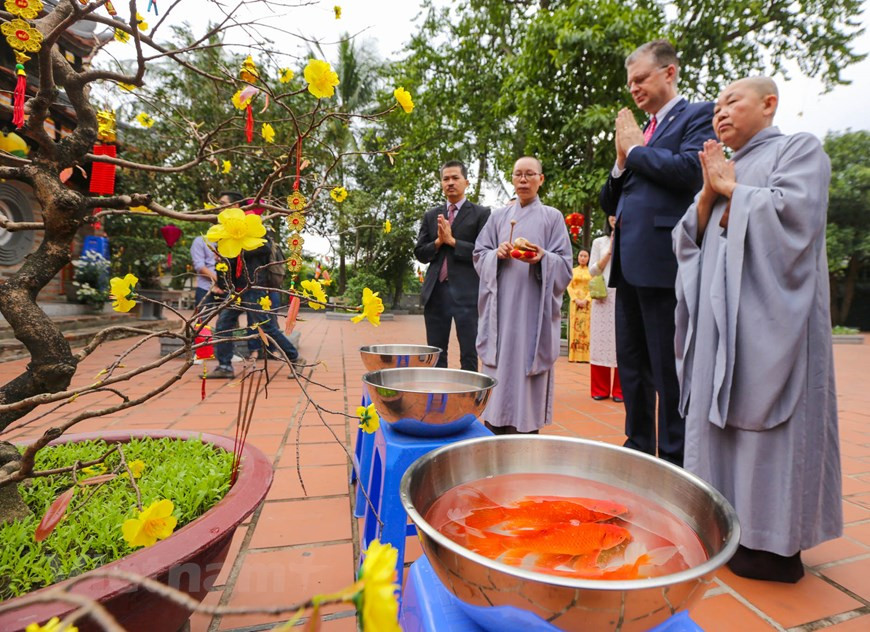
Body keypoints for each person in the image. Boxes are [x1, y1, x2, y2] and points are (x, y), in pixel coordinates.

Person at [673, 77, 842, 582]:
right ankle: (723, 528)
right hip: (719, 322)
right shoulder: (724, 169)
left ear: (769, 104)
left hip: (771, 321)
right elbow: (688, 241)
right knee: (716, 422)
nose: (720, 112)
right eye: (717, 105)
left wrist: (733, 192)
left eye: (732, 101)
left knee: (773, 428)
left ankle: (772, 545)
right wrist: (708, 195)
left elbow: (797, 216)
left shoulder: (799, 150)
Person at [598, 39, 713, 466]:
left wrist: (638, 151)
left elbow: (689, 172)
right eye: (630, 82)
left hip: (666, 262)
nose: (634, 88)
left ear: (670, 73)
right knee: (632, 365)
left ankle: (677, 458)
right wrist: (619, 160)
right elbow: (611, 201)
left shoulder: (697, 115)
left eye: (641, 78)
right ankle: (639, 446)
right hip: (627, 265)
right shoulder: (638, 134)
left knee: (668, 367)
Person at [474, 156, 573, 434]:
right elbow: (479, 255)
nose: (523, 179)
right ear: (512, 179)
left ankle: (526, 432)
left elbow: (565, 266)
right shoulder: (498, 217)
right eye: (518, 174)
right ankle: (494, 425)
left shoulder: (552, 218)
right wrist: (497, 255)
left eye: (530, 174)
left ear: (541, 179)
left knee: (525, 372)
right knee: (498, 369)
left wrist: (543, 258)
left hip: (533, 312)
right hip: (501, 314)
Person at [208, 211, 304, 379]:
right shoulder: (227, 234)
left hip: (253, 287)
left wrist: (238, 248)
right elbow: (228, 262)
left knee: (265, 327)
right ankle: (225, 365)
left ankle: (295, 358)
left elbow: (264, 247)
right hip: (237, 290)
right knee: (223, 324)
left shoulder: (255, 232)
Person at [415, 160, 491, 370]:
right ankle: (439, 399)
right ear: (441, 184)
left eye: (455, 178)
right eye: (446, 179)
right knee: (436, 353)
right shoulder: (432, 215)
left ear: (466, 182)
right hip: (436, 293)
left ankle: (468, 399)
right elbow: (420, 253)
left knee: (469, 352)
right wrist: (439, 242)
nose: (450, 182)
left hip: (467, 294)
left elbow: (484, 251)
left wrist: (453, 242)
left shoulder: (481, 214)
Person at [589, 215, 622, 402]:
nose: (614, 217)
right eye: (610, 214)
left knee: (621, 342)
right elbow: (592, 271)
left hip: (624, 293)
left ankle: (620, 390)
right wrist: (609, 251)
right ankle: (600, 388)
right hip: (603, 295)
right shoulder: (598, 242)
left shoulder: (630, 237)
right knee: (601, 342)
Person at [566, 249, 591, 363]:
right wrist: (575, 299)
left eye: (585, 256)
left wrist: (586, 299)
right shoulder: (572, 271)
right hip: (575, 303)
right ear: (578, 257)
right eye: (581, 255)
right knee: (574, 327)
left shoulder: (592, 272)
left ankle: (586, 356)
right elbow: (569, 286)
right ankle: (574, 356)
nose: (583, 258)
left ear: (589, 258)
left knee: (586, 329)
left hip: (587, 305)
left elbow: (593, 287)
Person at [190, 235, 221, 315]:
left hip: (226, 289)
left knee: (227, 323)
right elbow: (199, 266)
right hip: (205, 287)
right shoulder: (200, 241)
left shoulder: (230, 241)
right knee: (200, 321)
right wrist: (220, 282)